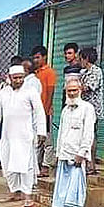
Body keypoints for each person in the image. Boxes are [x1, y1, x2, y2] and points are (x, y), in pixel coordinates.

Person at [0, 65, 46, 205]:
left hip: (25, 136)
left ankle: (27, 195)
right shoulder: (3, 93)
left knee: (26, 166)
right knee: (8, 165)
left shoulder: (30, 91)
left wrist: (41, 132)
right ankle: (14, 192)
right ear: (10, 78)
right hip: (7, 137)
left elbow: (39, 112)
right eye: (16, 78)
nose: (19, 80)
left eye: (21, 77)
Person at [51, 79, 96, 207]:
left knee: (75, 189)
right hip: (64, 154)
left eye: (74, 90)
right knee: (62, 188)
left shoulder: (87, 108)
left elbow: (88, 133)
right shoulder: (65, 110)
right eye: (69, 91)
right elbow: (61, 133)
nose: (71, 93)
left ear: (80, 90)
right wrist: (58, 153)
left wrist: (82, 153)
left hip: (77, 156)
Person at [32, 46, 58, 177]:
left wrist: (46, 111)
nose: (36, 60)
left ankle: (47, 166)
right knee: (37, 141)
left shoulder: (50, 72)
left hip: (45, 111)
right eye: (34, 57)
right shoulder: (35, 73)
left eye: (38, 57)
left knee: (47, 140)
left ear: (44, 57)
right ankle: (37, 165)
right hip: (35, 112)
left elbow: (50, 93)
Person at [79, 47, 104, 173]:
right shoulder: (83, 72)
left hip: (92, 108)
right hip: (82, 107)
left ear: (86, 58)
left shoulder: (96, 71)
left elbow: (88, 87)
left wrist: (75, 86)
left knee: (91, 134)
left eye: (81, 58)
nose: (80, 61)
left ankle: (92, 164)